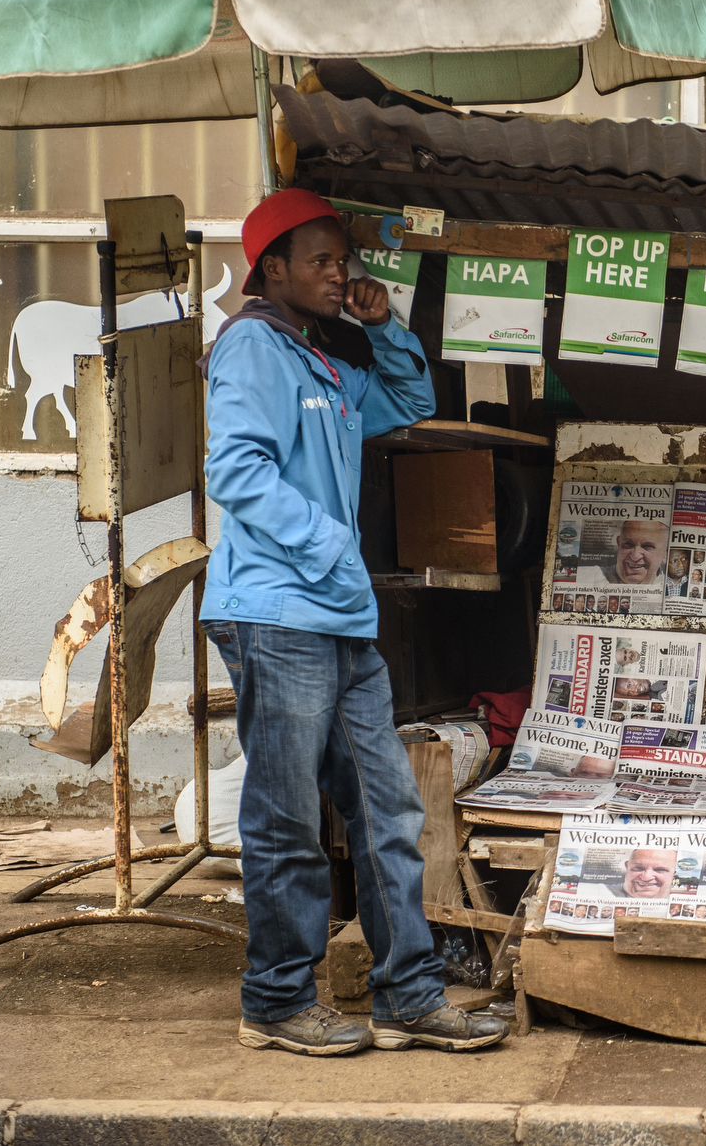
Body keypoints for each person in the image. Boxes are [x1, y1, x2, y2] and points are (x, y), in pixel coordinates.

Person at [201, 189, 504, 1056]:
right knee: (288, 818)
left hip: (337, 618)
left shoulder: (323, 362)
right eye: (323, 262)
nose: (342, 275)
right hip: (278, 613)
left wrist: (383, 325)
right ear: (273, 270)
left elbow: (405, 401)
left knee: (387, 809)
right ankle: (277, 999)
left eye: (348, 262)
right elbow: (239, 472)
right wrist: (331, 544)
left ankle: (407, 994)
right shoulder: (252, 349)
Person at [593, 520, 668, 586]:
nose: (635, 556)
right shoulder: (589, 576)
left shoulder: (668, 586)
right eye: (628, 544)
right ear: (619, 544)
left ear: (665, 554)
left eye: (647, 546)